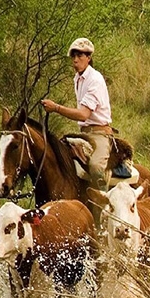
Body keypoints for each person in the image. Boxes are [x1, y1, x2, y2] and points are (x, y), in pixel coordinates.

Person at [41, 37, 128, 189]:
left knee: (95, 167)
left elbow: (83, 115)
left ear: (88, 58)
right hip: (84, 133)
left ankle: (103, 205)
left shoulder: (95, 79)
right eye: (73, 56)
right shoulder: (78, 78)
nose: (75, 60)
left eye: (80, 55)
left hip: (100, 134)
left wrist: (56, 108)